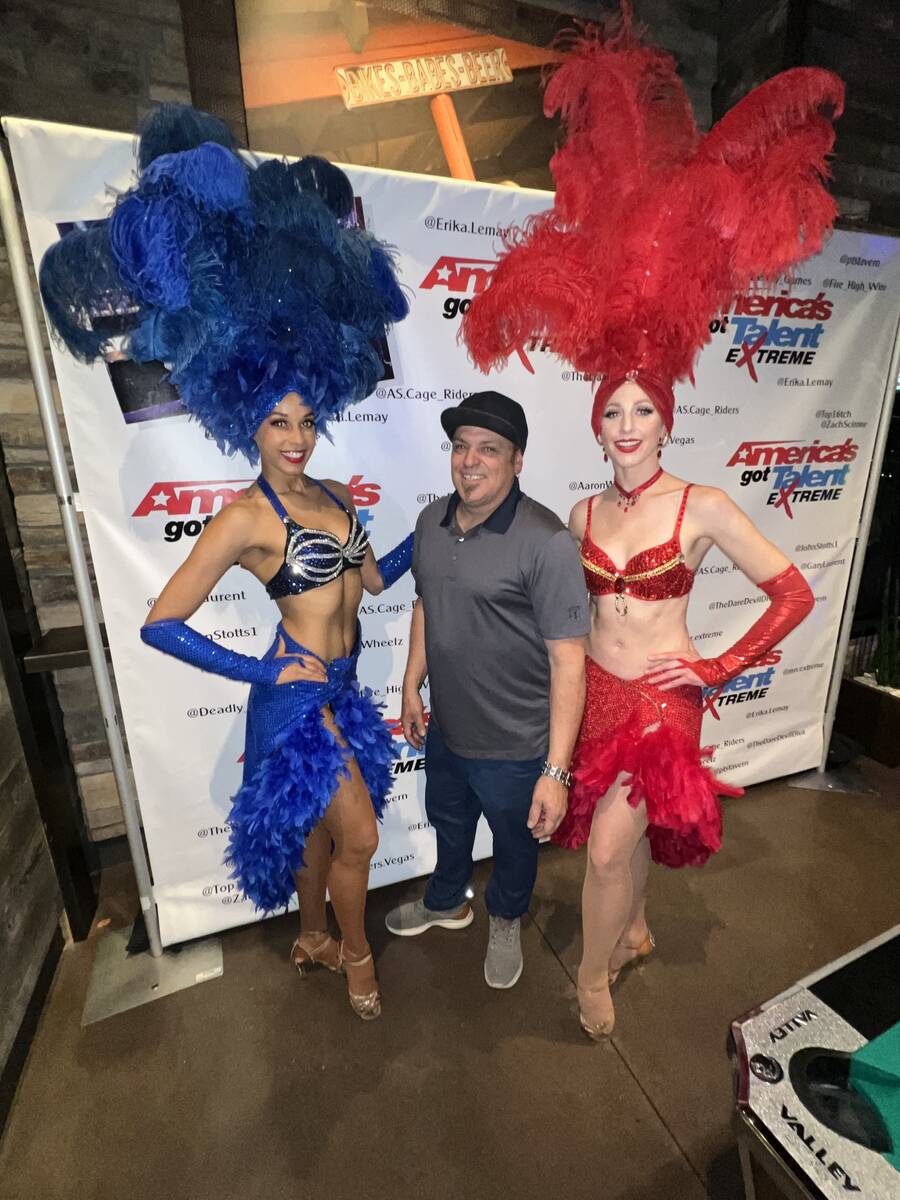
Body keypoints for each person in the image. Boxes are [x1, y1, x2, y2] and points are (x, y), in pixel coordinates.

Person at [461, 9, 842, 1035]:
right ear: (599, 423)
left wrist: (715, 668)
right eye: (613, 413)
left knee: (613, 849)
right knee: (615, 847)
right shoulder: (580, 509)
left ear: (667, 419)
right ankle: (629, 934)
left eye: (644, 413)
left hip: (665, 705)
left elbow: (794, 591)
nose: (628, 427)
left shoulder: (704, 506)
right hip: (599, 699)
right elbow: (551, 606)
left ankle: (590, 975)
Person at [39, 105, 412, 1020]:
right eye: (277, 420)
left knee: (332, 834)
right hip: (292, 698)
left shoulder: (338, 502)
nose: (294, 435)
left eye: (305, 419)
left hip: (348, 689)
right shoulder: (246, 517)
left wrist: (439, 531)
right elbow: (160, 621)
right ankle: (358, 959)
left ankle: (317, 932)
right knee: (359, 834)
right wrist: (257, 665)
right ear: (247, 419)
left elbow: (369, 583)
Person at [385, 391, 589, 989]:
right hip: (447, 725)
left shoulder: (546, 541)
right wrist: (410, 683)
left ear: (517, 461)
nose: (470, 461)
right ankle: (448, 900)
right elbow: (425, 601)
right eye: (461, 446)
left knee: (514, 844)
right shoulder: (431, 521)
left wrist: (556, 771)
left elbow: (569, 662)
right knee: (448, 821)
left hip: (516, 744)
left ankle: (505, 916)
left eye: (489, 449)